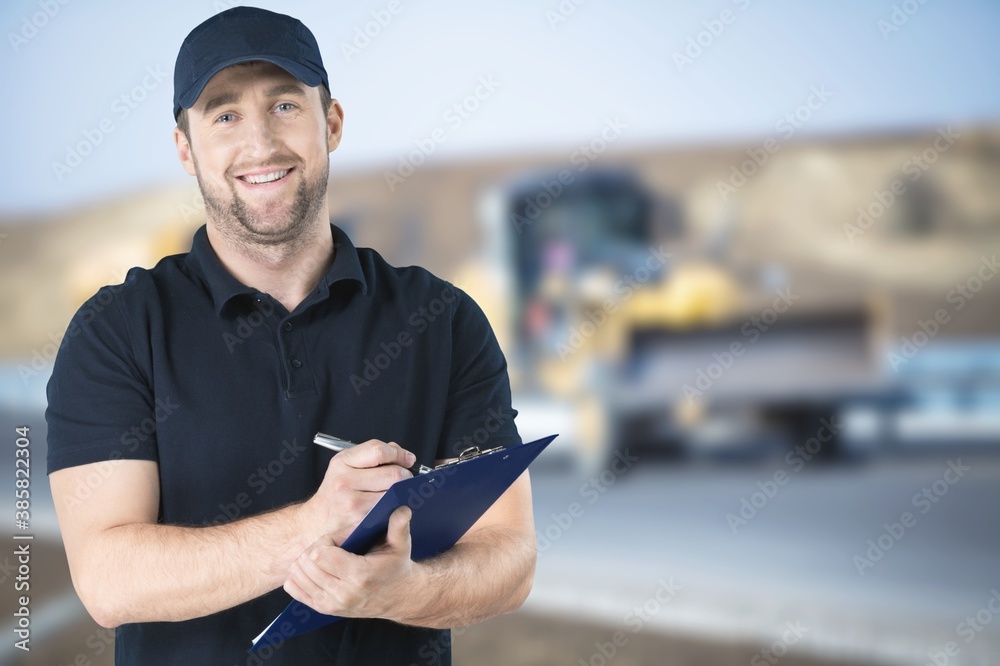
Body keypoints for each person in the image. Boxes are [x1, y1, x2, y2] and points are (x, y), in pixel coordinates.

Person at [45, 7, 535, 665]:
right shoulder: (117, 331)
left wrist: (401, 591)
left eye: (284, 106)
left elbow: (509, 557)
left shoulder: (443, 322)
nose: (261, 143)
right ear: (185, 147)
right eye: (224, 115)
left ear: (330, 122)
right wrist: (312, 527)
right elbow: (108, 578)